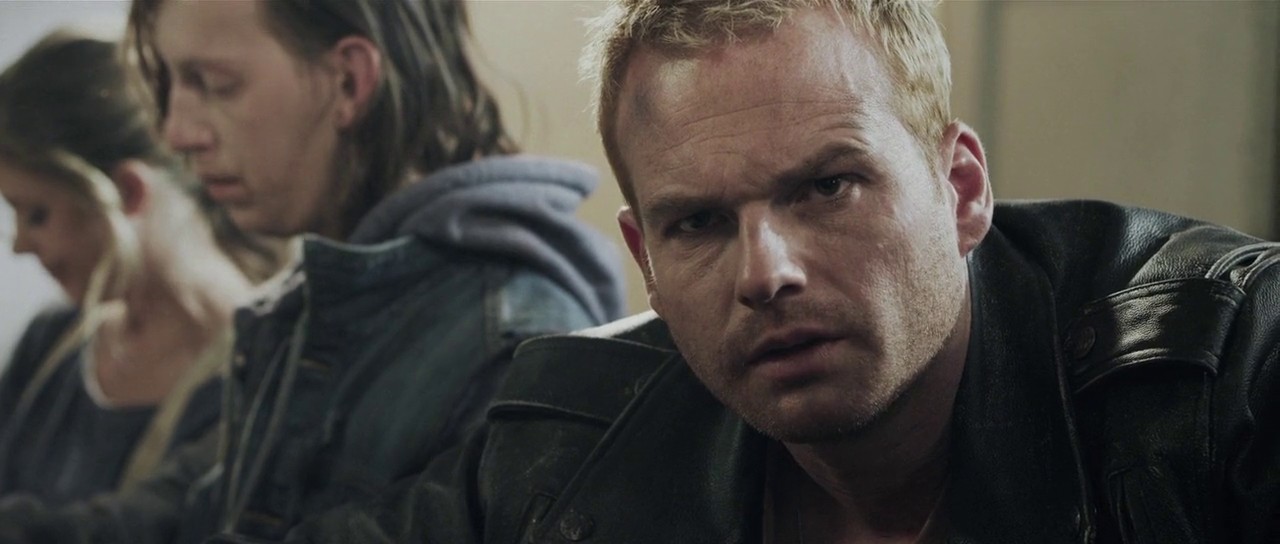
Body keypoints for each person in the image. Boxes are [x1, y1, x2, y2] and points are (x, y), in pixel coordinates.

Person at [277, 0, 1280, 542]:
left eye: (827, 187)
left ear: (961, 189)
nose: (765, 272)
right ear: (645, 260)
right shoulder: (572, 438)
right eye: (699, 223)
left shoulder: (1224, 372)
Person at [0, 1, 624, 543]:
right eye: (169, 85)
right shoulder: (322, 297)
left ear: (348, 82)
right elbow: (188, 510)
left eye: (213, 84)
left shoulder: (507, 337)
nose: (175, 132)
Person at [0, 30, 278, 506]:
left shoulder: (262, 373)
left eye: (37, 215)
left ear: (128, 192)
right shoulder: (50, 342)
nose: (20, 245)